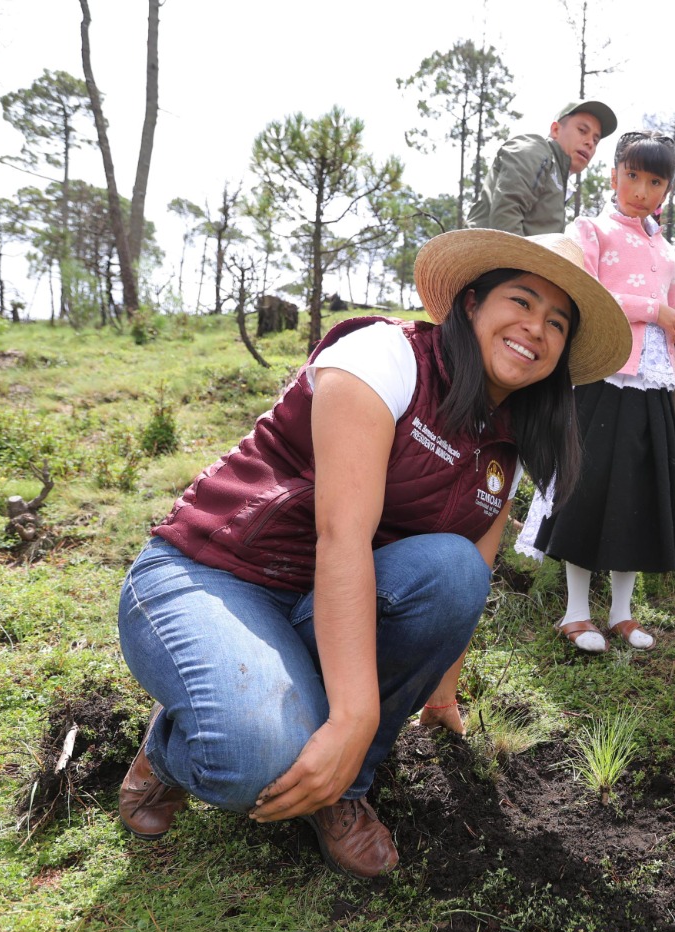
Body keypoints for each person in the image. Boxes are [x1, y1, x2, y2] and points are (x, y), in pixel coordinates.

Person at [115, 229, 629, 878]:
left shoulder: (506, 439)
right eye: (521, 302)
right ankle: (169, 750)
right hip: (214, 575)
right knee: (254, 758)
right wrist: (354, 715)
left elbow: (470, 570)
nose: (536, 328)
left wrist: (441, 694)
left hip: (316, 604)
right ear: (471, 303)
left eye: (557, 322)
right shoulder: (385, 358)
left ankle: (344, 786)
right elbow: (343, 538)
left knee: (453, 570)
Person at [519, 130, 675, 652]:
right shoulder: (590, 230)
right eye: (633, 175)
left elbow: (671, 308)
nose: (642, 189)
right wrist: (654, 312)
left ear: (666, 188)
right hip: (604, 374)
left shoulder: (665, 248)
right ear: (613, 174)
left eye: (655, 180)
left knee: (638, 490)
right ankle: (576, 612)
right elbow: (585, 294)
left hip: (654, 381)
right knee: (588, 486)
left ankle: (621, 612)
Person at [467, 100, 618, 236]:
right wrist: (518, 267)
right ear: (556, 130)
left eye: (595, 140)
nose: (590, 142)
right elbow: (506, 216)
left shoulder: (557, 175)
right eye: (582, 131)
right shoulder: (535, 150)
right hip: (490, 260)